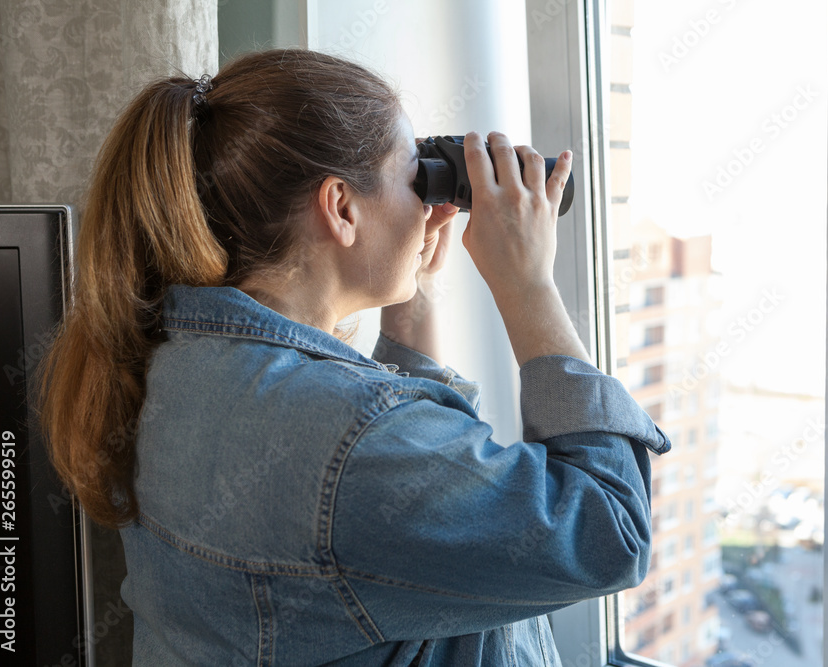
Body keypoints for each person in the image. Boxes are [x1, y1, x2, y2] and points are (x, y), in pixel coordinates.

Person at [39, 49, 670, 666]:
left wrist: (412, 295)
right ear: (341, 206)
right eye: (411, 175)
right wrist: (529, 285)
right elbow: (608, 533)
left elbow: (387, 516)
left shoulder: (177, 360)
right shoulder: (345, 434)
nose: (427, 201)